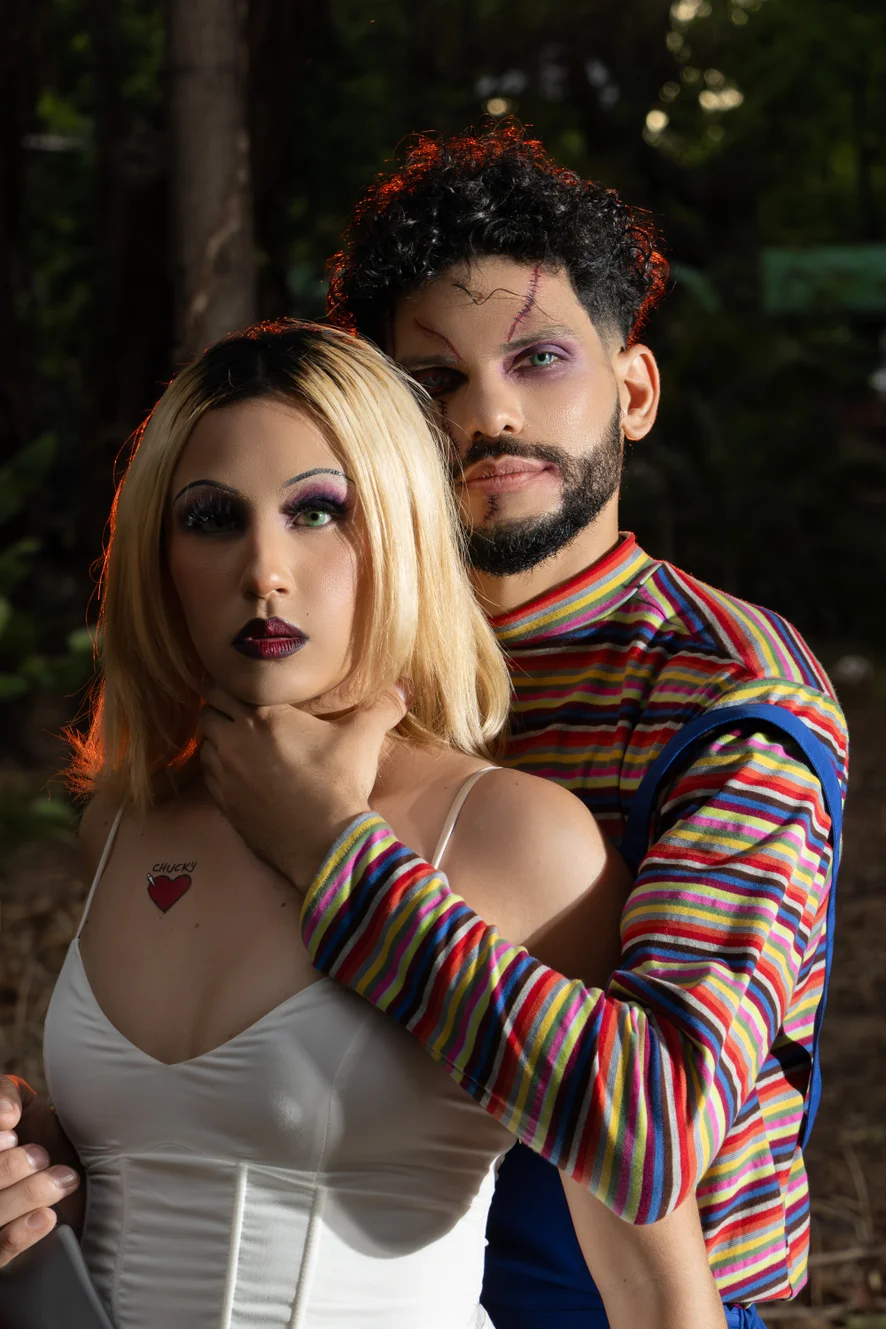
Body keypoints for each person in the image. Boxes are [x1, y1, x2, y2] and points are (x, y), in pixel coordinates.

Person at [190, 127, 849, 1329]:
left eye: (538, 358)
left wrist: (333, 853)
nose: (490, 413)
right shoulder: (329, 657)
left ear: (633, 392)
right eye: (433, 381)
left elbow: (655, 1129)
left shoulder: (730, 693)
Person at [0, 321, 727, 1328]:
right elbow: (174, 1166)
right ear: (158, 560)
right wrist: (43, 1175)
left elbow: (656, 1291)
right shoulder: (124, 821)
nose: (264, 568)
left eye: (318, 512)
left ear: (403, 528)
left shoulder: (517, 839)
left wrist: (332, 842)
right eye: (211, 518)